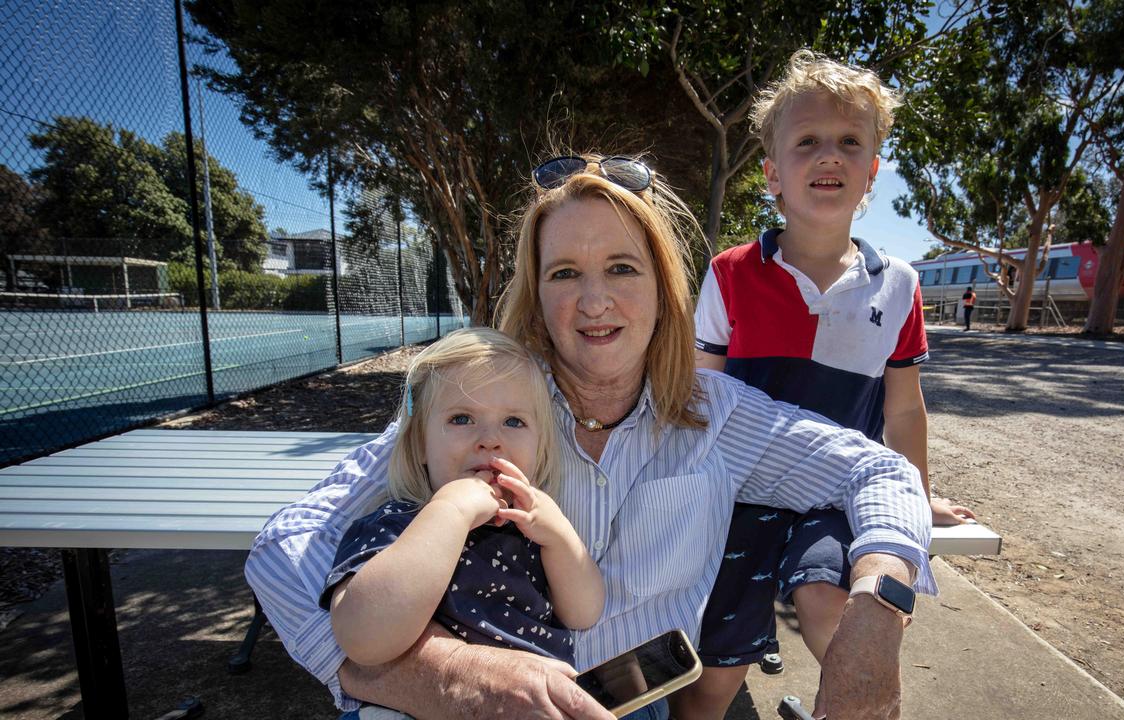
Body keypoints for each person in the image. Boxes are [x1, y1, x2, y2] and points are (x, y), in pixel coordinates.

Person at [245, 152, 935, 720]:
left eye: (622, 268)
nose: (594, 300)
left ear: (666, 288)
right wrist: (444, 673)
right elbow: (287, 542)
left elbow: (877, 472)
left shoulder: (720, 414)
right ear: (537, 295)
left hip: (630, 703)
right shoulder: (483, 407)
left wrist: (876, 608)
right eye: (565, 273)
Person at [685, 50, 974, 719]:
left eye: (850, 142)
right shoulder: (730, 273)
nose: (829, 156)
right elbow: (704, 397)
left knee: (833, 608)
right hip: (744, 486)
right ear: (772, 174)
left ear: (872, 171)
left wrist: (916, 500)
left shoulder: (898, 285)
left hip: (837, 488)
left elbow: (904, 413)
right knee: (713, 677)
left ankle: (863, 703)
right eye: (807, 141)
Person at [322, 328, 604, 719]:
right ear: (419, 442)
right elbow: (364, 640)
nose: (490, 439)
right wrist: (452, 509)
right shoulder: (395, 524)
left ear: (540, 449)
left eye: (514, 421)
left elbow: (585, 612)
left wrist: (560, 538)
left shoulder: (532, 528)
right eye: (461, 418)